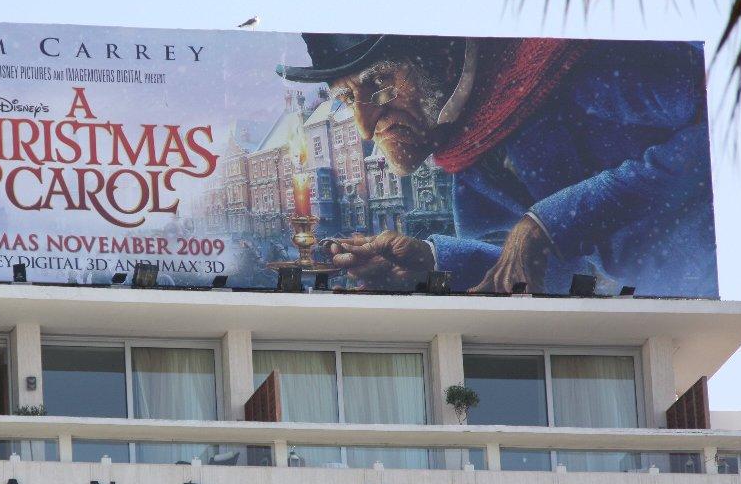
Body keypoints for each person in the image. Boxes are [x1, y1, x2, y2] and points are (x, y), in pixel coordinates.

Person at [277, 33, 717, 296]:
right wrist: (430, 261)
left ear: (439, 59)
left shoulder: (580, 66)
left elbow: (718, 124)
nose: (365, 126)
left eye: (380, 84)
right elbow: (532, 270)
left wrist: (550, 222)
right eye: (348, 98)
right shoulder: (465, 153)